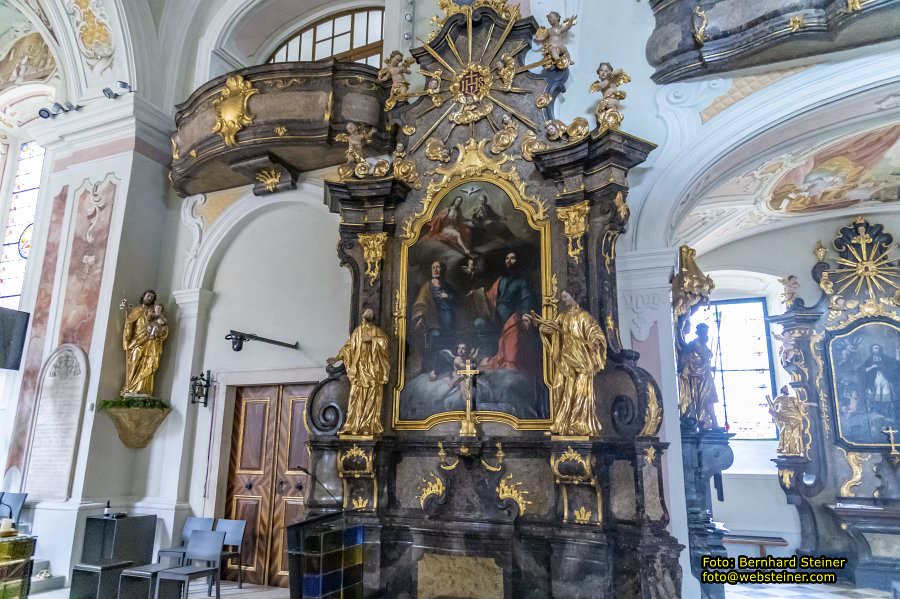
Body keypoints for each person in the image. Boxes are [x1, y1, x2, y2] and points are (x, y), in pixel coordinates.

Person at [525, 290, 606, 437]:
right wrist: (543, 328)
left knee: (581, 392)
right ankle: (563, 422)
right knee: (561, 389)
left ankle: (580, 423)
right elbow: (551, 329)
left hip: (582, 361)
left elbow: (596, 334)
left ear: (574, 296)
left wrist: (594, 342)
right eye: (562, 297)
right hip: (565, 361)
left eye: (565, 297)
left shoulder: (584, 317)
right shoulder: (562, 317)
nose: (563, 300)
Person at [329, 308, 390, 437]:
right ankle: (352, 425)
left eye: (369, 314)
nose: (366, 316)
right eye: (365, 314)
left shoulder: (377, 332)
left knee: (371, 398)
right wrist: (337, 358)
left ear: (372, 318)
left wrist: (372, 340)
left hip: (373, 369)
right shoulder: (357, 331)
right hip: (358, 369)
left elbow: (384, 344)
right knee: (354, 397)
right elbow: (348, 347)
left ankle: (368, 425)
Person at [483, 251, 537, 373]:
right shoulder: (500, 280)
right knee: (479, 322)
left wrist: (526, 315)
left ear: (518, 261)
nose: (509, 260)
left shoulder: (522, 281)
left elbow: (526, 299)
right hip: (496, 315)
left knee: (516, 329)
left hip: (513, 314)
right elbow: (489, 297)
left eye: (512, 258)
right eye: (507, 258)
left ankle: (510, 360)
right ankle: (488, 354)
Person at [411, 261, 457, 377]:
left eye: (438, 267)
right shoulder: (427, 286)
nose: (436, 270)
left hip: (448, 320)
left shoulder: (449, 287)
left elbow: (459, 301)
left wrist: (449, 297)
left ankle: (447, 367)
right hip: (433, 320)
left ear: (443, 270)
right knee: (433, 340)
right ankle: (430, 367)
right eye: (434, 267)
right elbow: (420, 303)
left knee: (449, 343)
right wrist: (420, 316)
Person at [122, 290, 168, 396]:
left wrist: (159, 329)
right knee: (134, 362)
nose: (150, 298)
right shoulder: (137, 310)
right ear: (143, 297)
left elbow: (162, 326)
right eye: (148, 296)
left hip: (150, 341)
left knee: (148, 363)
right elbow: (129, 323)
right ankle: (129, 387)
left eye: (152, 297)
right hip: (137, 341)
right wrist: (127, 337)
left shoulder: (154, 312)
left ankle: (142, 389)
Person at [677, 322, 719, 428]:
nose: (706, 335)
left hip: (706, 376)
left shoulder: (703, 344)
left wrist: (708, 366)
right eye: (703, 332)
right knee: (703, 399)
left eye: (706, 332)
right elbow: (684, 346)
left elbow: (705, 359)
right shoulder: (695, 344)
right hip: (698, 378)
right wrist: (678, 330)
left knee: (709, 399)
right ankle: (707, 421)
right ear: (699, 333)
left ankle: (712, 421)